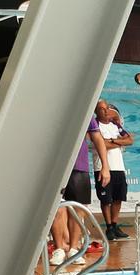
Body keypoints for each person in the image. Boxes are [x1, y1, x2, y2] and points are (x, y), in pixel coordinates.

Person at [51, 110, 110, 266]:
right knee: (56, 209)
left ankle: (74, 249)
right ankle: (58, 249)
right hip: (54, 166)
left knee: (78, 210)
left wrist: (105, 166)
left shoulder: (85, 108)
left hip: (79, 166)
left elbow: (97, 137)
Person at [96, 103, 133, 241]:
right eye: (102, 109)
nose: (106, 111)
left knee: (118, 198)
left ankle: (115, 225)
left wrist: (111, 141)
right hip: (102, 167)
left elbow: (130, 140)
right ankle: (109, 227)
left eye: (107, 109)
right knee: (106, 200)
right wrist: (119, 142)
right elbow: (101, 144)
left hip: (119, 167)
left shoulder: (115, 125)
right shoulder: (95, 125)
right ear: (96, 111)